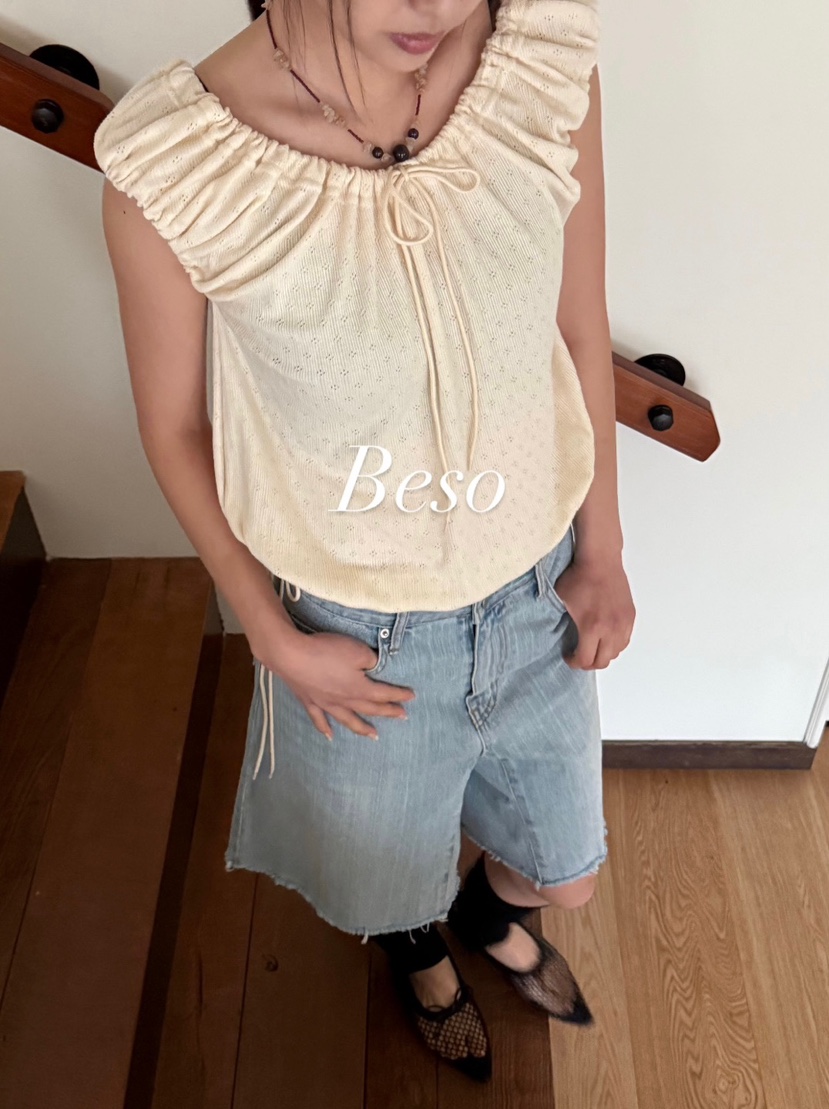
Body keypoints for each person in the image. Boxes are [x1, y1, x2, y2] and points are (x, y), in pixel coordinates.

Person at [94, 0, 635, 1084]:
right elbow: (176, 427)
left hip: (536, 590)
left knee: (565, 873)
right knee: (384, 882)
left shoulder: (537, 66)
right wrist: (269, 636)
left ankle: (483, 911)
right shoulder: (176, 165)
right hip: (357, 631)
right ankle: (417, 949)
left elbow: (579, 328)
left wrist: (603, 548)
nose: (435, 8)